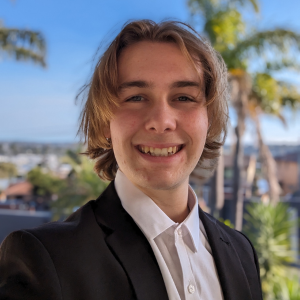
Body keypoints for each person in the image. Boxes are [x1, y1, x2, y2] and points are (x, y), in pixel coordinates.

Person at [0, 20, 262, 300]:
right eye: (136, 97)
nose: (161, 122)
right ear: (104, 122)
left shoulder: (241, 251)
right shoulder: (46, 259)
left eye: (184, 97)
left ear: (209, 121)